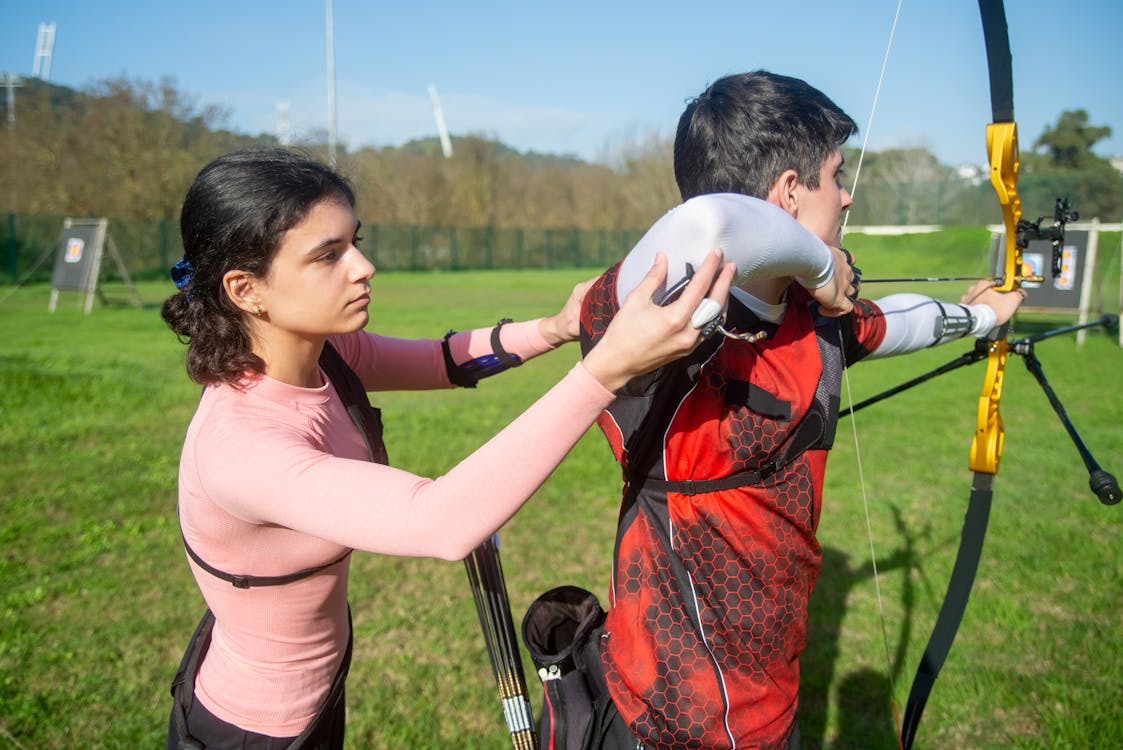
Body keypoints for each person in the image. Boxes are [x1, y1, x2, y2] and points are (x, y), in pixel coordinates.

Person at [160, 147, 738, 749]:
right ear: (245, 289)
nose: (364, 266)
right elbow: (438, 521)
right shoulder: (240, 445)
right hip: (251, 730)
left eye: (356, 241)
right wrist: (606, 370)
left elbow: (443, 359)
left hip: (318, 693)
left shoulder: (321, 355)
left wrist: (556, 328)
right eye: (328, 256)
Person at [576, 71, 1027, 749]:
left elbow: (899, 321)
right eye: (834, 176)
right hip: (670, 715)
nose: (845, 196)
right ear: (788, 191)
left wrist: (979, 316)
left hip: (769, 695)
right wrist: (819, 260)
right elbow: (706, 222)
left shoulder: (813, 320)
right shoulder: (651, 319)